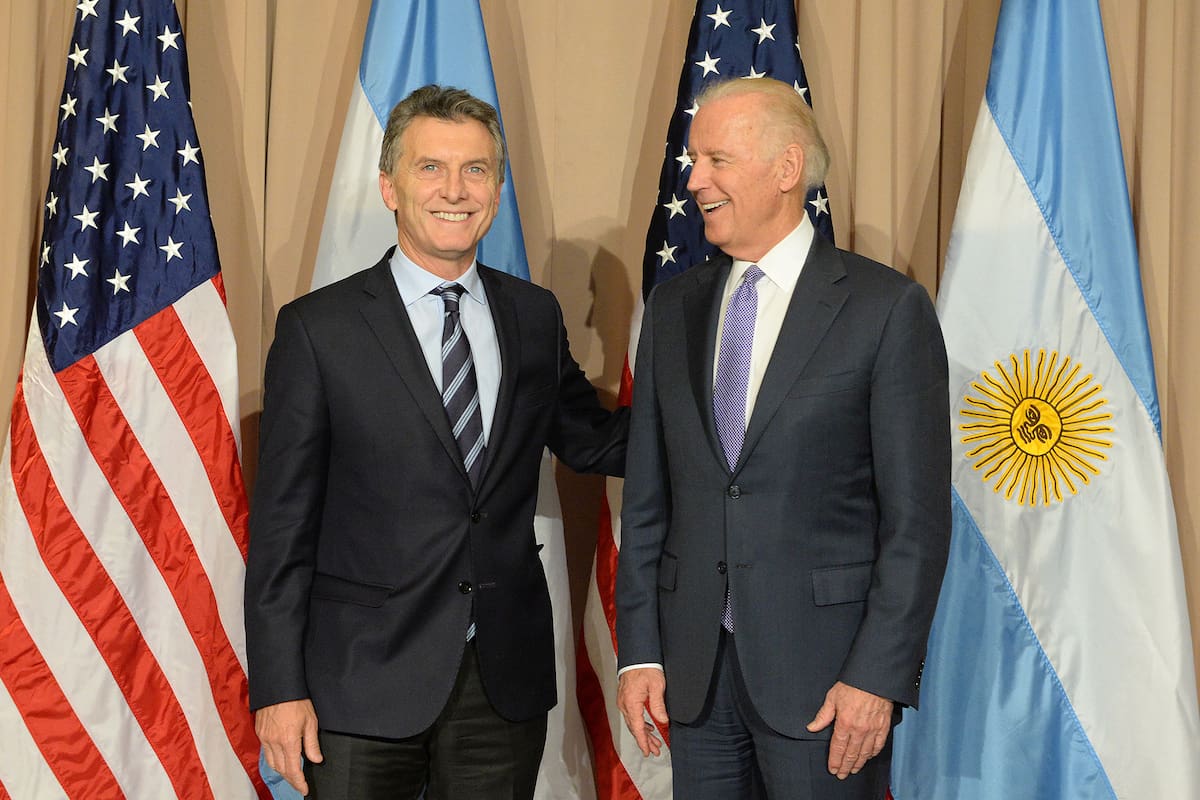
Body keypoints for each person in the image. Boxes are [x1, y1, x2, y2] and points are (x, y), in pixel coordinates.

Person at [245, 84, 628, 800]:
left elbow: (595, 442)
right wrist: (277, 689)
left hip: (500, 685)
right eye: (430, 168)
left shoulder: (532, 315)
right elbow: (280, 532)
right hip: (357, 687)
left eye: (476, 169)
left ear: (498, 186)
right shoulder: (318, 331)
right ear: (390, 187)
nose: (455, 190)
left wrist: (732, 407)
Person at [615, 77, 951, 799]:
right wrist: (638, 653)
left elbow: (915, 526)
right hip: (694, 683)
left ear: (787, 169)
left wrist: (877, 677)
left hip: (827, 685)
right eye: (694, 160)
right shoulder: (673, 308)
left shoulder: (885, 310)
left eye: (716, 160)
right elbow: (647, 501)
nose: (694, 178)